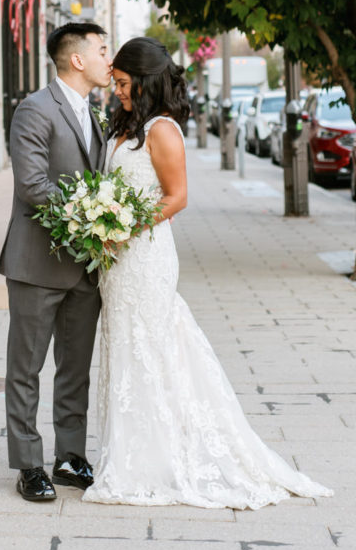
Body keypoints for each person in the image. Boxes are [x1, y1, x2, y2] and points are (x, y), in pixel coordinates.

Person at [83, 37, 333, 508]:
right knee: (127, 346)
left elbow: (176, 198)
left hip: (145, 255)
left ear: (144, 80)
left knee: (150, 346)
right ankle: (135, 450)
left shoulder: (162, 129)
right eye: (114, 82)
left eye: (121, 83)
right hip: (118, 263)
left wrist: (122, 226)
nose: (115, 90)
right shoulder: (126, 124)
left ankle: (158, 457)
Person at [0, 22, 112, 502]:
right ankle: (28, 465)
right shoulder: (34, 109)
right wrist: (90, 221)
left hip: (84, 267)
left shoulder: (98, 113)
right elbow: (33, 185)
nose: (111, 58)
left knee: (75, 368)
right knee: (26, 368)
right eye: (103, 49)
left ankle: (69, 457)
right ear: (78, 59)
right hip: (38, 263)